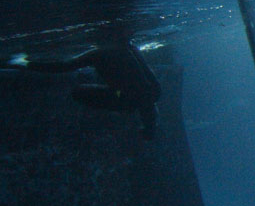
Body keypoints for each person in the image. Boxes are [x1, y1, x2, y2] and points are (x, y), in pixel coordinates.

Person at [5, 39, 161, 139]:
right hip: (125, 88)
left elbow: (63, 67)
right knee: (138, 97)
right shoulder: (104, 55)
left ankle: (145, 123)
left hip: (126, 84)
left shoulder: (149, 91)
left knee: (141, 97)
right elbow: (65, 69)